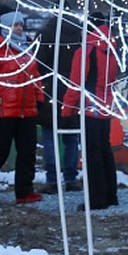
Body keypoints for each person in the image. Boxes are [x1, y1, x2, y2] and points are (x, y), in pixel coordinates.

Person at [0, 10, 45, 205]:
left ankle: (24, 191)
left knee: (28, 151)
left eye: (21, 24)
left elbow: (35, 75)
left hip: (27, 108)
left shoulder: (28, 46)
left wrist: (39, 98)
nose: (19, 28)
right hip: (3, 109)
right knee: (0, 151)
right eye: (15, 25)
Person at [61, 22, 120, 210]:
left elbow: (76, 83)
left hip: (88, 108)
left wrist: (66, 108)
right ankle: (110, 195)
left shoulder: (86, 51)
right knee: (105, 150)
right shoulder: (111, 50)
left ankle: (96, 199)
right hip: (105, 108)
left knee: (91, 154)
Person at [37, 18, 82, 191]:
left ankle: (53, 179)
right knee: (71, 136)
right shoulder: (78, 33)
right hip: (73, 89)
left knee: (50, 136)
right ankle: (70, 178)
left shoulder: (46, 33)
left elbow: (38, 62)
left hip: (51, 89)